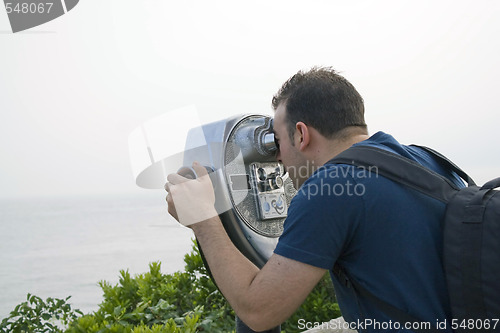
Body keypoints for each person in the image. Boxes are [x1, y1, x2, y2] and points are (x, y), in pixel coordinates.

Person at [165, 67, 462, 332]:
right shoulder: (426, 160)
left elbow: (259, 312)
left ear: (301, 134)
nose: (277, 158)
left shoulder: (330, 187)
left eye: (278, 142)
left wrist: (203, 218)